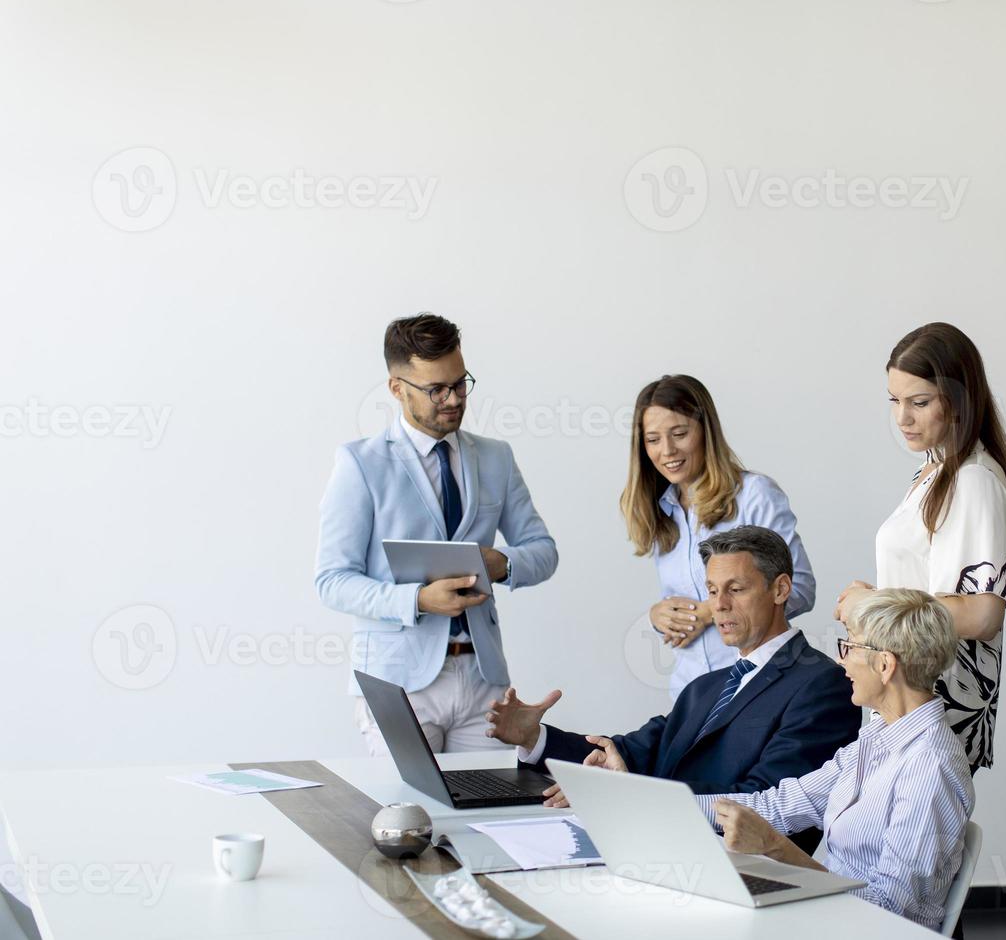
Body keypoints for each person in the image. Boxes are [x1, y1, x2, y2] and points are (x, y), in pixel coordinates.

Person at [486, 526, 858, 852]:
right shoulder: (707, 686)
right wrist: (535, 737)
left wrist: (633, 793)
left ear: (780, 589)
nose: (720, 605)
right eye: (712, 591)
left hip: (741, 865)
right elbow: (629, 752)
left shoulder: (822, 684)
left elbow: (768, 804)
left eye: (736, 589)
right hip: (662, 845)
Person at [316, 313, 558, 755]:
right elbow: (332, 580)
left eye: (460, 383)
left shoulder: (495, 458)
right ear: (396, 388)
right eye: (435, 390)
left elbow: (543, 551)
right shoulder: (360, 464)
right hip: (400, 683)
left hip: (484, 680)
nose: (452, 399)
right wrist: (417, 600)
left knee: (493, 816)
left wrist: (501, 563)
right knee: (411, 818)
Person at [700, 588, 974, 932]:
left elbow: (890, 912)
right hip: (829, 919)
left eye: (850, 646)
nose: (841, 660)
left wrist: (775, 848)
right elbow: (779, 805)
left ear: (885, 665)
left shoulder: (929, 767)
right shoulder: (873, 741)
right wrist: (676, 808)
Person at [835, 322, 1006, 772]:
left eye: (919, 402)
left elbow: (982, 614)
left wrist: (873, 605)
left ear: (958, 401)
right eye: (895, 401)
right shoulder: (935, 471)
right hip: (905, 697)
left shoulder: (972, 479)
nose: (903, 418)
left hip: (936, 708)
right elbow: (930, 584)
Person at [621, 374, 816, 701]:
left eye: (679, 433)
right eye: (653, 439)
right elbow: (681, 600)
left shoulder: (755, 495)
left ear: (706, 432)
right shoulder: (658, 511)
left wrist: (711, 611)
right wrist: (658, 616)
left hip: (757, 690)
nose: (667, 450)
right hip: (690, 696)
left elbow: (800, 589)